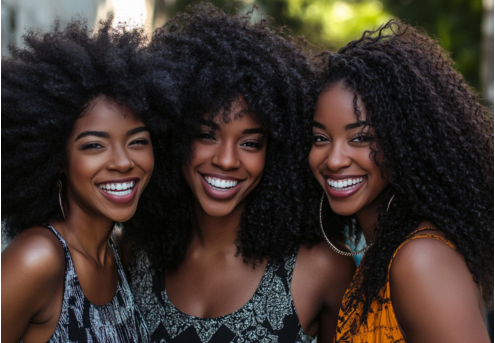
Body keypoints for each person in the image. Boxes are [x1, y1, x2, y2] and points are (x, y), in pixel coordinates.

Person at [124, 4, 355, 342]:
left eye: (250, 143)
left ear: (276, 153)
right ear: (172, 137)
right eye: (206, 135)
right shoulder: (137, 253)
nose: (227, 160)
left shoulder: (322, 267)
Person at [309, 20, 493, 343]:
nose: (334, 159)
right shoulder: (377, 257)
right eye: (321, 138)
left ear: (405, 143)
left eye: (361, 138)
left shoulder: (419, 260)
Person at [0, 17, 177, 342]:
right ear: (57, 159)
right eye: (94, 145)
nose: (123, 162)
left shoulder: (118, 253)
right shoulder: (38, 259)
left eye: (138, 141)